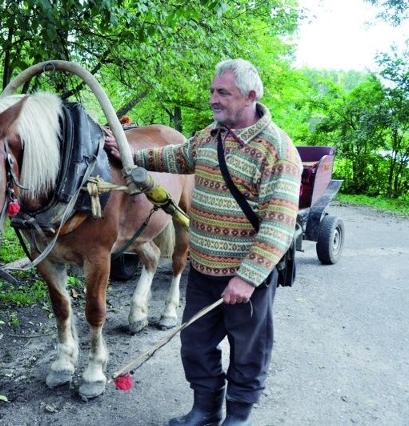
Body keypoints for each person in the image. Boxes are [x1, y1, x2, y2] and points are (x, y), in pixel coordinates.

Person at [106, 58, 302, 425]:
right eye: (212, 91)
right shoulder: (209, 136)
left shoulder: (277, 150)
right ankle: (206, 410)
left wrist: (246, 278)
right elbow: (175, 157)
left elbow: (279, 225)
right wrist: (129, 155)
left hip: (247, 281)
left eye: (222, 92)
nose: (213, 98)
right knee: (196, 346)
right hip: (203, 270)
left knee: (248, 352)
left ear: (250, 96)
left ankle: (238, 417)